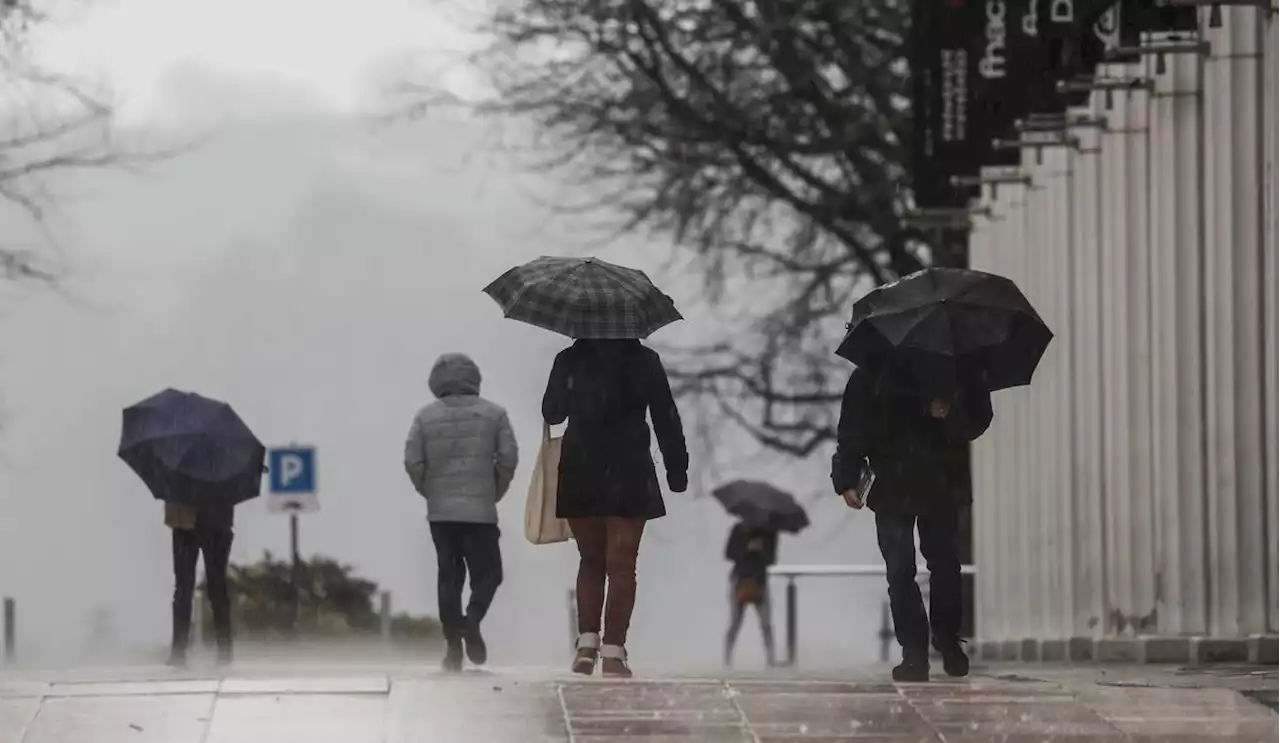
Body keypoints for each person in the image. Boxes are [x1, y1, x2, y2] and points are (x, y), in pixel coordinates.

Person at [831, 367, 992, 682]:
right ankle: (915, 651)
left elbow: (979, 417)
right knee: (901, 567)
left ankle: (946, 638)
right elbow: (853, 426)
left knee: (944, 563)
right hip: (894, 481)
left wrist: (950, 412)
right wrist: (846, 476)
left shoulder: (956, 367)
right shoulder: (874, 370)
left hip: (940, 479)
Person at [543, 339, 688, 678]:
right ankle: (612, 654)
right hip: (629, 467)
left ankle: (586, 645)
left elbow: (552, 412)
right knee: (622, 565)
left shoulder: (568, 359)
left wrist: (571, 385)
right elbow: (665, 414)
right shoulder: (645, 361)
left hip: (581, 467)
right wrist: (676, 467)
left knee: (590, 558)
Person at [405, 352, 519, 672]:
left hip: (441, 515)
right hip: (480, 512)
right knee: (489, 573)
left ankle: (453, 646)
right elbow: (508, 457)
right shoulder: (494, 415)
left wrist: (431, 492)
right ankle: (473, 618)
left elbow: (413, 461)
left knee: (449, 577)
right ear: (474, 377)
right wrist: (493, 491)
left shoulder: (424, 417)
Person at [166, 497, 234, 667]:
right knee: (193, 588)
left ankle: (180, 651)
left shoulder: (180, 471)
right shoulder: (223, 469)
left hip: (202, 520)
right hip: (196, 521)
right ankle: (181, 650)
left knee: (206, 587)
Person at [723, 521, 778, 668]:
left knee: (766, 624)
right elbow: (729, 553)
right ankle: (727, 661)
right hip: (740, 580)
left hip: (760, 581)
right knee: (735, 622)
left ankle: (771, 661)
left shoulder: (769, 532)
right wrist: (747, 548)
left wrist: (760, 550)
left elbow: (771, 558)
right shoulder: (739, 529)